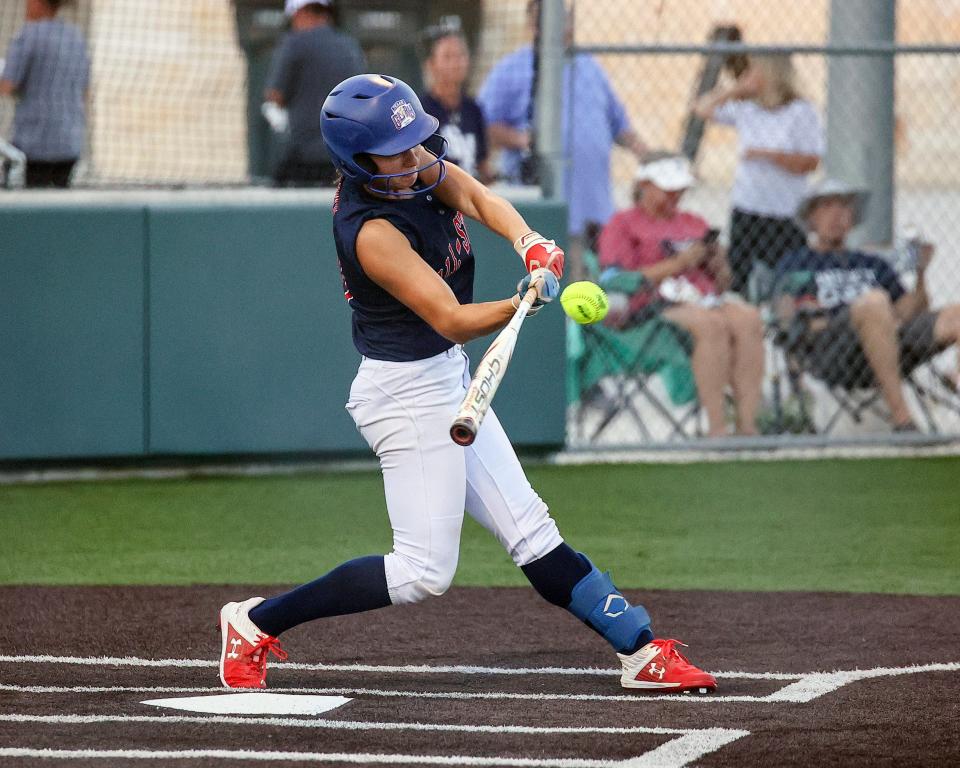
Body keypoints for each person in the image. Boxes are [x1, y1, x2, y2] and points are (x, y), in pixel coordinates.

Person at [217, 74, 715, 696]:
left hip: (446, 376)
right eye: (394, 151)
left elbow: (479, 199)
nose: (414, 158)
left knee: (532, 531)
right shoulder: (371, 232)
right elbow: (450, 318)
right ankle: (254, 623)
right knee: (423, 571)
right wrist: (522, 303)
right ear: (357, 161)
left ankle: (642, 650)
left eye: (414, 143)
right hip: (403, 395)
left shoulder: (415, 166)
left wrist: (530, 244)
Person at [772, 178, 960, 431]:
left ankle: (955, 377)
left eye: (843, 207)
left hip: (890, 339)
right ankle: (902, 420)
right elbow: (786, 319)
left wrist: (921, 274)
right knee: (874, 303)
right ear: (811, 218)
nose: (837, 214)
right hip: (835, 349)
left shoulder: (872, 263)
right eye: (827, 207)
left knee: (955, 314)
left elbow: (909, 312)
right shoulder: (797, 262)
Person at [598, 153, 764, 437]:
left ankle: (748, 428)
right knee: (711, 325)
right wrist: (680, 263)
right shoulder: (622, 224)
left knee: (749, 319)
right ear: (645, 184)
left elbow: (723, 283)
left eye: (680, 189)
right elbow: (617, 279)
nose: (675, 195)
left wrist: (717, 263)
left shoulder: (693, 221)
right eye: (667, 189)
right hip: (652, 306)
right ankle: (717, 430)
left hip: (704, 299)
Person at [477, 0, 647, 278]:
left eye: (565, 19)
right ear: (533, 25)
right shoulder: (514, 68)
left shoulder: (589, 65)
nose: (563, 26)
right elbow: (485, 123)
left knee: (592, 289)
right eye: (553, 20)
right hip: (546, 209)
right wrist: (521, 140)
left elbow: (619, 125)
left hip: (594, 208)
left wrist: (647, 155)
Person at [694, 55, 824, 297]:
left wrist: (768, 155)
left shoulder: (800, 111)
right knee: (740, 278)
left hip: (785, 212)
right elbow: (702, 108)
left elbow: (810, 161)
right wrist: (734, 90)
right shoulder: (748, 109)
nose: (749, 76)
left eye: (755, 71)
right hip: (748, 207)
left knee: (790, 281)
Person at [263, 0, 365, 187]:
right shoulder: (350, 46)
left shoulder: (294, 43)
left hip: (303, 159)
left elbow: (275, 95)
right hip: (344, 158)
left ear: (301, 12)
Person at [0, 0, 89, 188]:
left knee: (29, 206)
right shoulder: (76, 38)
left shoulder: (28, 36)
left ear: (37, 3)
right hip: (69, 143)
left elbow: (7, 85)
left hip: (34, 143)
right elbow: (84, 90)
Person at [418, 26, 491, 182]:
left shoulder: (473, 109)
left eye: (461, 55)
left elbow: (483, 164)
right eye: (447, 57)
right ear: (431, 64)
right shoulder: (421, 111)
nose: (456, 63)